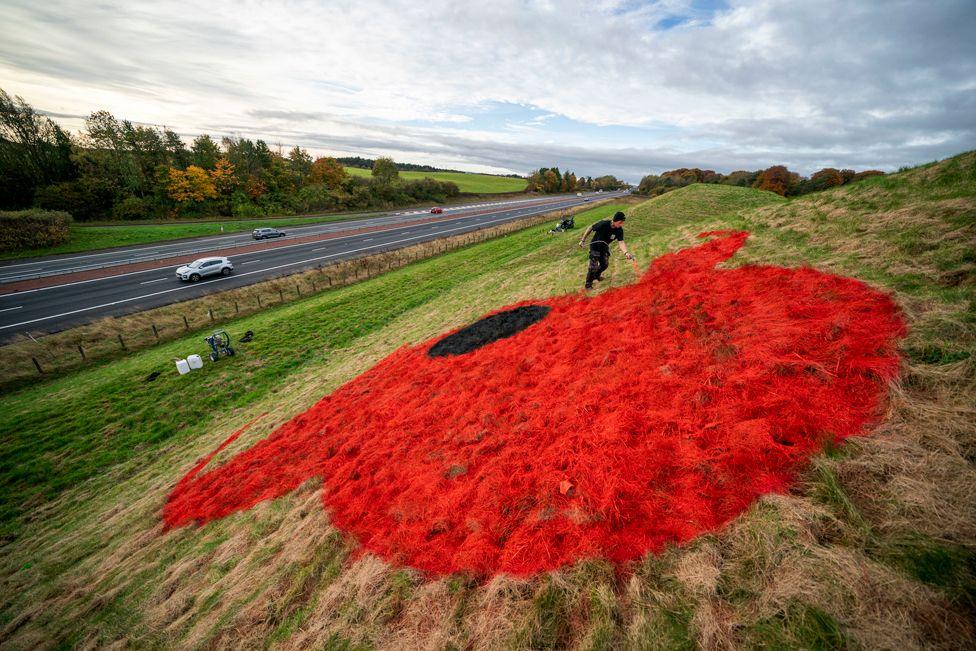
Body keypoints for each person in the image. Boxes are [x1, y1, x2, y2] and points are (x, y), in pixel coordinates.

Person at [578, 211, 634, 289]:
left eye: (622, 222)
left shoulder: (619, 230)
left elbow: (621, 242)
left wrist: (626, 253)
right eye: (620, 222)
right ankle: (588, 284)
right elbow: (590, 227)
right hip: (595, 246)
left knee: (604, 265)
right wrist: (583, 240)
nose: (621, 224)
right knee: (593, 266)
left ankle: (596, 276)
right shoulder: (603, 224)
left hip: (604, 248)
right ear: (615, 220)